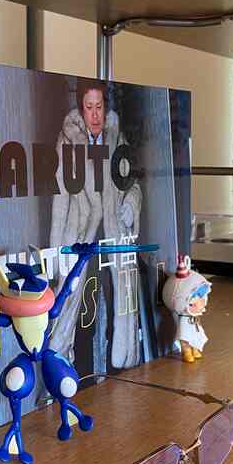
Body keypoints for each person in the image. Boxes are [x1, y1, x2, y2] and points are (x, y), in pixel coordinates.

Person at [49, 79, 142, 371]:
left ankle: (122, 363)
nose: (95, 115)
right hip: (81, 232)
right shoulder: (67, 141)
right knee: (71, 300)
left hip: (113, 233)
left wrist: (130, 205)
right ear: (81, 109)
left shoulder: (117, 138)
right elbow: (60, 197)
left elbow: (132, 184)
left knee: (118, 300)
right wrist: (55, 250)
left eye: (99, 107)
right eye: (89, 108)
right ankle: (61, 363)